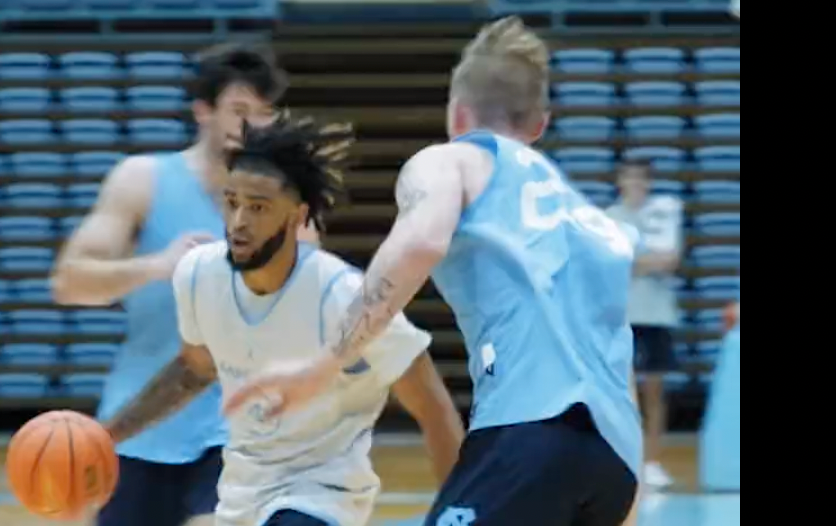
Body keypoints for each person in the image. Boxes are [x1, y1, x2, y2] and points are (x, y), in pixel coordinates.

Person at [224, 17, 643, 526]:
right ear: (539, 125)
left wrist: (322, 365)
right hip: (616, 463)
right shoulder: (590, 222)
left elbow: (421, 242)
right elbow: (617, 350)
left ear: (457, 112)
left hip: (530, 430)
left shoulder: (453, 161)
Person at [101, 115, 465, 526]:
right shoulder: (199, 275)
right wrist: (109, 434)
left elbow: (431, 405)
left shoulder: (344, 295)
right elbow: (193, 369)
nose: (238, 222)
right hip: (241, 494)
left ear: (297, 216)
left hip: (323, 496)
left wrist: (463, 513)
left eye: (258, 208)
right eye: (232, 201)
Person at [50, 44, 312, 526]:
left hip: (239, 428)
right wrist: (158, 266)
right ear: (203, 112)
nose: (252, 125)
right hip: (141, 421)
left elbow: (312, 310)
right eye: (238, 111)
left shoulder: (287, 205)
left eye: (264, 114)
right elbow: (70, 283)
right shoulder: (142, 180)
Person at [606, 159, 684, 490]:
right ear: (620, 181)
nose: (635, 183)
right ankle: (622, 460)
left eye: (641, 178)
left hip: (655, 315)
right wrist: (644, 261)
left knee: (654, 392)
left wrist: (637, 261)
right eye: (629, 176)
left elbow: (670, 261)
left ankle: (652, 462)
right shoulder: (609, 218)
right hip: (620, 315)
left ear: (649, 183)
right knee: (620, 393)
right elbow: (612, 265)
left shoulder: (662, 216)